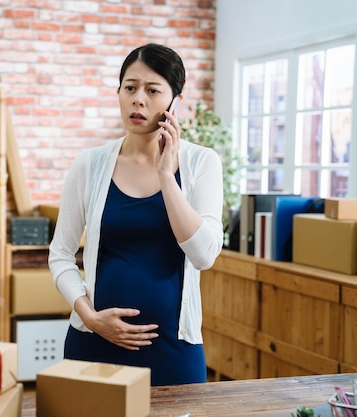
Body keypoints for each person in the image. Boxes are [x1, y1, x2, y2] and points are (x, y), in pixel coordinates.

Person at [48, 43, 224, 386]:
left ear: (175, 101)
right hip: (94, 344)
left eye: (152, 90)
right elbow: (61, 254)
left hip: (174, 351)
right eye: (129, 88)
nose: (138, 99)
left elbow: (204, 255)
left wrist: (165, 174)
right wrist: (92, 318)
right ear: (118, 93)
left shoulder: (201, 163)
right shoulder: (90, 163)